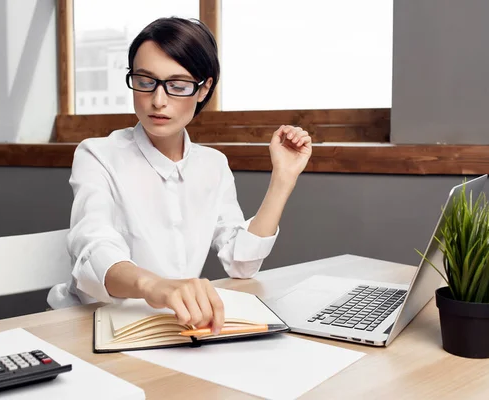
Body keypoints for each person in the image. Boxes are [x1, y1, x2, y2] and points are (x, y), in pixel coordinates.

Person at [47, 17, 312, 335]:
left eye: (177, 85)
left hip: (172, 328)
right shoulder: (97, 154)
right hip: (93, 325)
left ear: (205, 88)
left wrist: (283, 179)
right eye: (145, 81)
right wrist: (156, 286)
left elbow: (241, 263)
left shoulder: (213, 165)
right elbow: (94, 246)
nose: (158, 100)